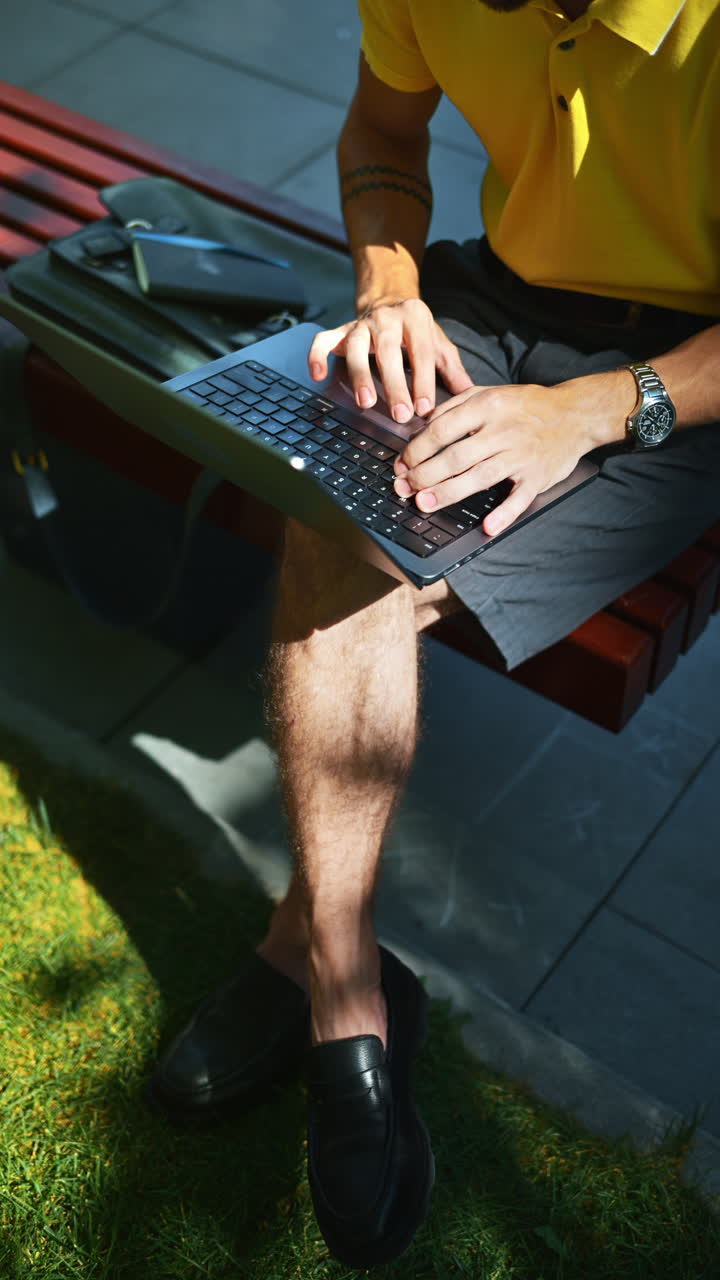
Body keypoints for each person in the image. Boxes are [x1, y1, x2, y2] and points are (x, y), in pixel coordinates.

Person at [149, 0, 720, 1266]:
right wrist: (388, 284)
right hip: (488, 299)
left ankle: (311, 961)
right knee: (331, 505)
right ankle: (348, 984)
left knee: (349, 556)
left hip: (681, 377)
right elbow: (382, 130)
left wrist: (587, 411)